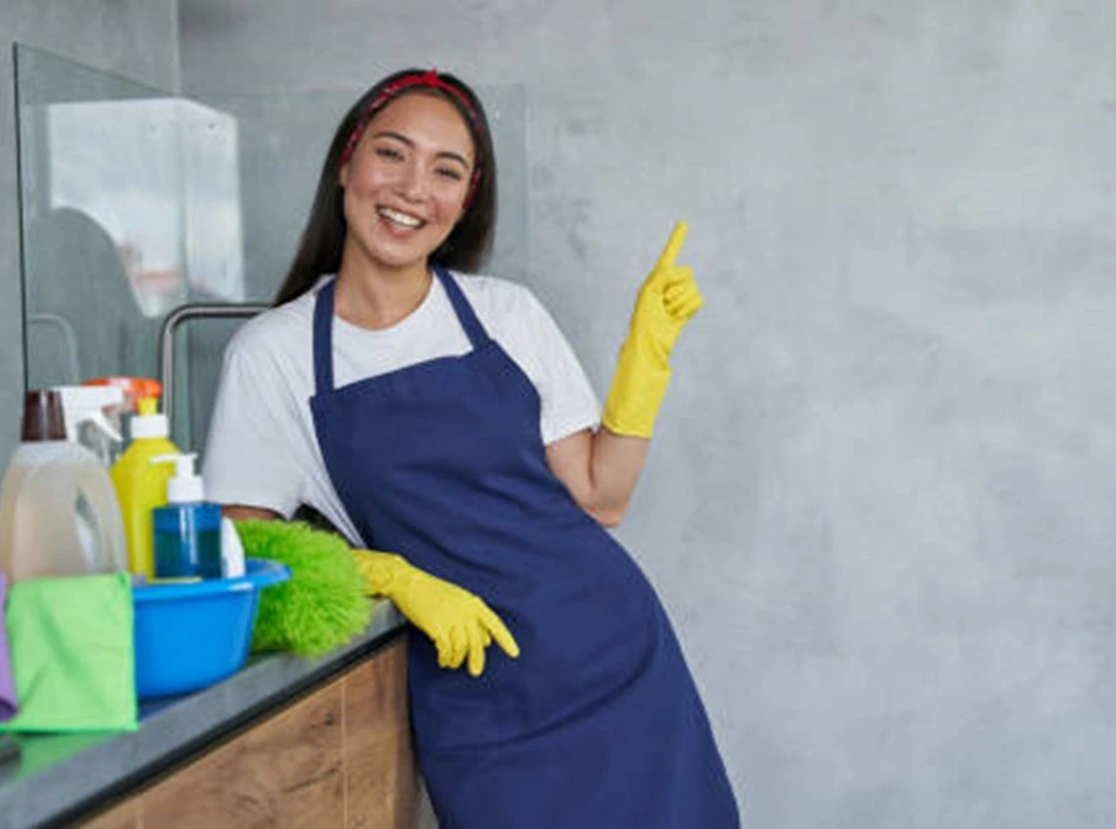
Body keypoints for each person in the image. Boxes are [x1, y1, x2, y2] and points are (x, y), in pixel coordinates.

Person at [202, 68, 740, 827]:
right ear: (347, 165)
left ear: (464, 202)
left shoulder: (505, 314)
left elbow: (602, 496)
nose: (414, 187)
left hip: (619, 664)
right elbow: (237, 545)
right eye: (393, 154)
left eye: (446, 170)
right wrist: (391, 575)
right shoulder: (276, 354)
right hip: (478, 697)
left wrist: (644, 358)